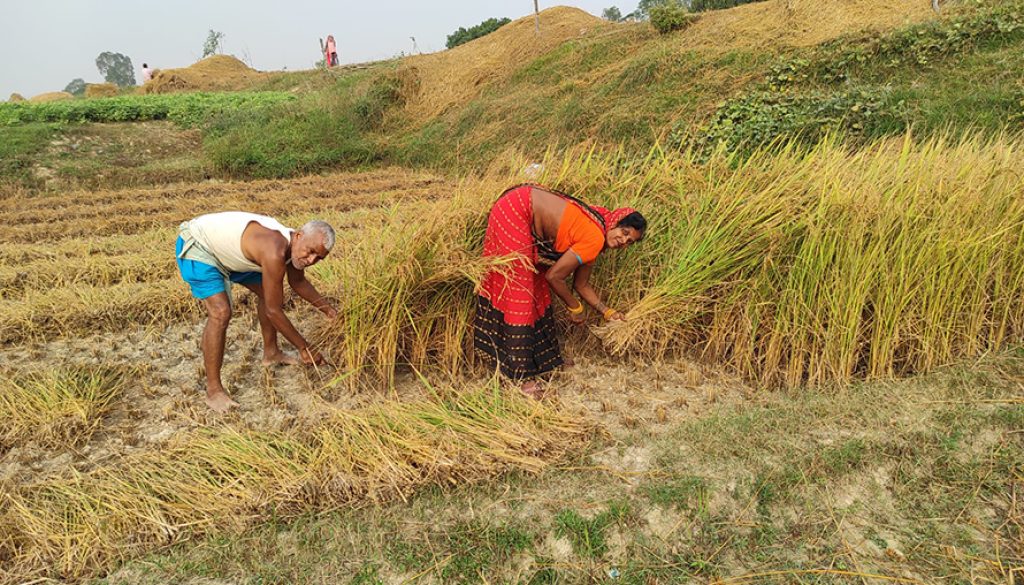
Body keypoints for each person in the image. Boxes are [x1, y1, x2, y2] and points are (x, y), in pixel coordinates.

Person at [474, 184, 647, 398]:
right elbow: (554, 277)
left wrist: (608, 312)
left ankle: (544, 362)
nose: (623, 241)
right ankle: (523, 379)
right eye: (624, 232)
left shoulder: (598, 229)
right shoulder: (594, 237)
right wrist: (574, 307)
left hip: (521, 210)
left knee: (537, 290)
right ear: (615, 223)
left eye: (629, 241)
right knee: (520, 294)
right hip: (515, 210)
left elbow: (581, 284)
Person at [175, 212, 338, 412]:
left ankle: (272, 353)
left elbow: (298, 282)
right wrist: (304, 347)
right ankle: (213, 391)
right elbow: (273, 311)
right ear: (298, 235)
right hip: (200, 245)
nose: (311, 260)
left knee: (267, 292)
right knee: (221, 312)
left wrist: (330, 312)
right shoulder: (273, 250)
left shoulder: (295, 251)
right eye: (310, 251)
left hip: (229, 254)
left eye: (318, 258)